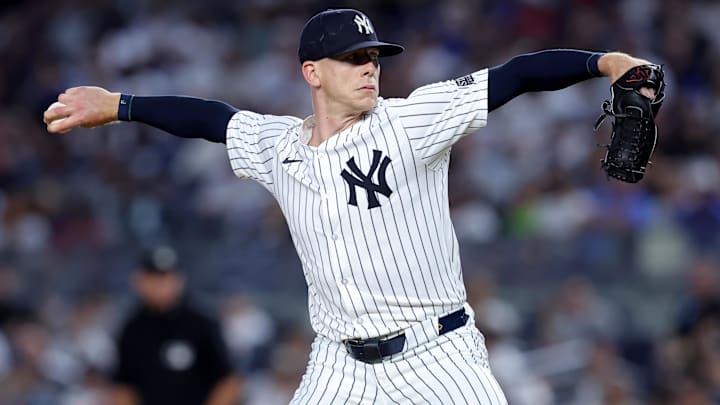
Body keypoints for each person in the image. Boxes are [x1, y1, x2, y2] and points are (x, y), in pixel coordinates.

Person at [44, 8, 660, 404]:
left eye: (373, 58)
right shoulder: (278, 145)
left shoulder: (410, 122)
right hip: (338, 363)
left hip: (436, 355)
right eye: (353, 59)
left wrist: (605, 62)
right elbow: (210, 118)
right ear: (312, 72)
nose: (370, 69)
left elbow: (517, 74)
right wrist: (121, 104)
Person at [110, 245, 241, 405]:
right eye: (154, 277)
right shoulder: (131, 329)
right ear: (138, 280)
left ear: (179, 280)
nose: (160, 285)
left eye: (166, 277)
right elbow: (123, 386)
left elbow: (228, 381)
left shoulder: (201, 323)